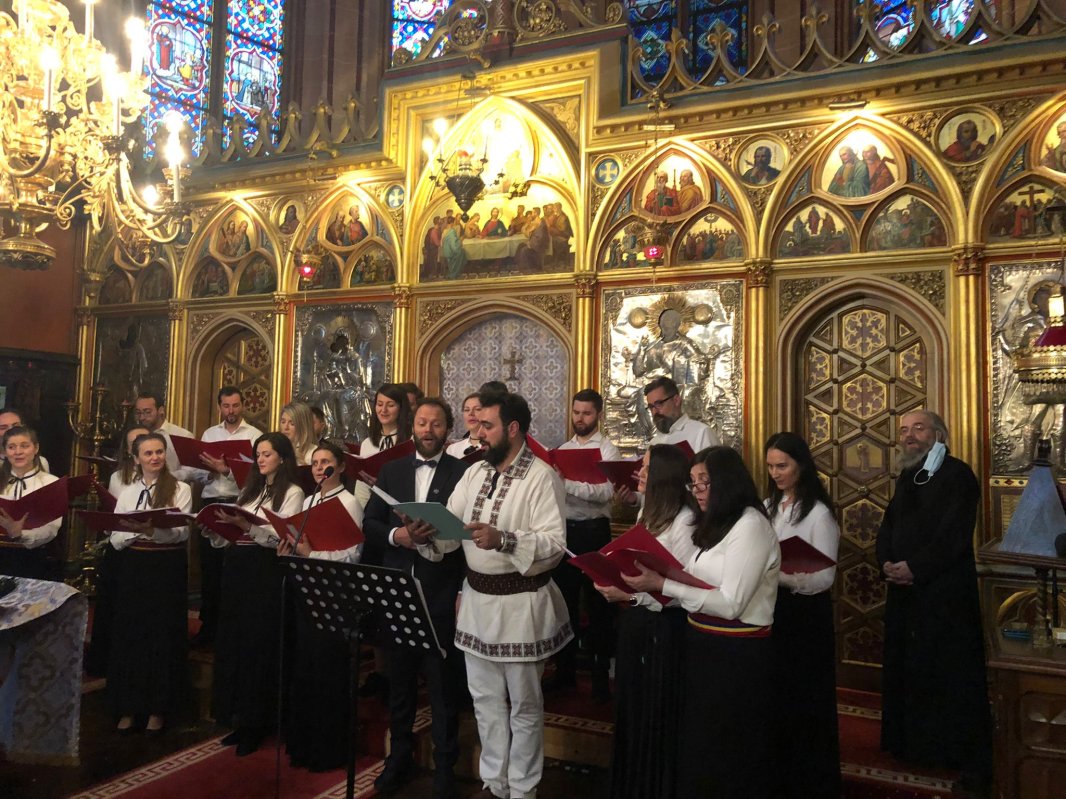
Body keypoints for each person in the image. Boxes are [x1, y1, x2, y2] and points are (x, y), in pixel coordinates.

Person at [433, 391, 570, 799]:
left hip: (521, 605)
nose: (478, 433)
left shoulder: (542, 477)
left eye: (487, 426)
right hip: (477, 602)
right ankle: (495, 783)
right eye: (477, 425)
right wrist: (426, 530)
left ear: (512, 429)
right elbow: (451, 527)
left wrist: (505, 539)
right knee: (485, 700)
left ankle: (523, 789)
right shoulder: (475, 473)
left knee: (524, 705)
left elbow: (554, 545)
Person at [624, 446, 780, 797]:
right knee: (701, 745)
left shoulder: (750, 525)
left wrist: (663, 584)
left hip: (736, 651)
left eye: (704, 482)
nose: (697, 491)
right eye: (693, 483)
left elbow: (732, 603)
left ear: (727, 480)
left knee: (729, 745)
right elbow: (694, 582)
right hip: (701, 643)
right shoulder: (716, 524)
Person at [876, 410, 992, 797]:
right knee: (909, 667)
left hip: (944, 596)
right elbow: (889, 526)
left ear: (939, 435)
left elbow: (953, 536)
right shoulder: (908, 475)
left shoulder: (958, 476)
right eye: (904, 430)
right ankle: (911, 745)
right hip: (904, 593)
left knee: (947, 671)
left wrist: (916, 568)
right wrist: (885, 561)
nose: (909, 435)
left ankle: (948, 751)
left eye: (918, 428)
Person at [364, 399, 470, 799]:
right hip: (398, 591)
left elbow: (468, 536)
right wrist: (398, 536)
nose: (428, 430)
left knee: (443, 687)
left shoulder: (463, 472)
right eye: (422, 422)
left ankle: (445, 767)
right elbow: (370, 522)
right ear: (413, 427)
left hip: (441, 591)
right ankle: (399, 758)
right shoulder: (391, 471)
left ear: (448, 429)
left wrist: (461, 590)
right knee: (400, 684)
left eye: (436, 424)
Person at [595, 445, 699, 799]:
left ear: (665, 476)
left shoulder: (685, 521)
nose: (639, 472)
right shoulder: (648, 511)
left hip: (666, 628)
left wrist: (628, 595)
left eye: (647, 467)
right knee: (633, 707)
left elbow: (681, 588)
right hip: (638, 622)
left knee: (656, 713)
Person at [209, 432, 305, 757]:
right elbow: (234, 531)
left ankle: (258, 722)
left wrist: (247, 526)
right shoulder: (250, 489)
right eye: (258, 454)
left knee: (258, 645)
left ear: (283, 457)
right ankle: (239, 717)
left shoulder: (293, 492)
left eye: (267, 454)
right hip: (238, 568)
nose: (261, 459)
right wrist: (217, 529)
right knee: (236, 642)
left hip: (266, 571)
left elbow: (281, 536)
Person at [277, 441, 363, 772]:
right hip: (307, 590)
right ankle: (303, 744)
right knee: (306, 666)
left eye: (326, 462)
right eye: (315, 463)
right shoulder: (310, 500)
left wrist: (311, 554)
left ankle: (328, 749)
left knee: (328, 668)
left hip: (335, 594)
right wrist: (290, 551)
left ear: (340, 467)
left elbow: (352, 554)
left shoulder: (349, 502)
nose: (318, 467)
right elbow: (302, 543)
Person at [764, 432, 841, 798]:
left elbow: (824, 578)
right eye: (770, 466)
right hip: (774, 611)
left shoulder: (819, 514)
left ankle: (810, 781)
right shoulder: (768, 506)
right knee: (777, 696)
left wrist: (777, 574)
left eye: (782, 466)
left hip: (806, 616)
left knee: (806, 698)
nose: (775, 473)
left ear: (801, 466)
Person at [107, 432, 192, 735]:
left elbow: (182, 532)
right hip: (135, 568)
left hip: (165, 569)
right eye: (148, 453)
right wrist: (136, 531)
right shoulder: (128, 492)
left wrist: (152, 531)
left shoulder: (180, 489)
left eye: (159, 452)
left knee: (161, 635)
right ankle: (129, 706)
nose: (155, 457)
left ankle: (159, 708)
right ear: (136, 459)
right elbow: (115, 537)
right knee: (132, 633)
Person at [545, 389, 621, 702]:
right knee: (565, 603)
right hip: (567, 532)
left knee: (598, 604)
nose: (580, 418)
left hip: (595, 532)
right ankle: (565, 673)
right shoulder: (563, 450)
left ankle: (600, 679)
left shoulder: (607, 449)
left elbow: (606, 492)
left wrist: (568, 484)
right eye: (576, 412)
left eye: (586, 413)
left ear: (598, 415)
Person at [192, 387, 263, 648]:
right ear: (219, 407)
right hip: (211, 500)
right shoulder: (210, 434)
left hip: (239, 501)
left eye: (235, 405)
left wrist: (227, 470)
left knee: (235, 566)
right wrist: (210, 472)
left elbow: (257, 477)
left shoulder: (254, 435)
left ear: (243, 405)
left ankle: (233, 629)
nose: (231, 410)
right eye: (226, 406)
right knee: (210, 566)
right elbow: (197, 472)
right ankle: (208, 627)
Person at [86, 424, 151, 677]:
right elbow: (114, 511)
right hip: (121, 543)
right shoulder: (118, 476)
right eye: (135, 442)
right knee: (112, 603)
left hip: (147, 546)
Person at [0, 426, 62, 578]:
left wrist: (21, 534)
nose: (18, 452)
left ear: (36, 448)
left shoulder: (51, 483)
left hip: (34, 557)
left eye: (24, 446)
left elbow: (51, 528)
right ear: (5, 452)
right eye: (11, 447)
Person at [644, 376, 718, 452]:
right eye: (651, 407)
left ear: (676, 400)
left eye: (659, 404)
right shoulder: (654, 443)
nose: (654, 412)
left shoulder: (702, 433)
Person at [134, 391, 194, 480]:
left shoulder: (182, 435)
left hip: (173, 485)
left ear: (161, 410)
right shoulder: (134, 434)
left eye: (147, 412)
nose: (142, 417)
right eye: (138, 413)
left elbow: (190, 471)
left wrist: (164, 478)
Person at [446, 393, 484, 459]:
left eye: (477, 409)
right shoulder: (453, 449)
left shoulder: (495, 447)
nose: (471, 413)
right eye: (467, 410)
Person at [279, 400, 317, 466]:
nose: (286, 427)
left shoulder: (313, 452)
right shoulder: (276, 450)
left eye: (292, 423)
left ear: (303, 426)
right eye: (283, 422)